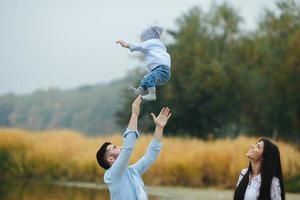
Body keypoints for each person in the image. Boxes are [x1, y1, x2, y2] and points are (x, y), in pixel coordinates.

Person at [96, 95, 171, 199]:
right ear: (110, 159)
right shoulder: (112, 176)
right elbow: (128, 149)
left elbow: (151, 156)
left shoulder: (133, 171)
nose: (120, 147)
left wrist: (159, 128)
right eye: (114, 147)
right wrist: (134, 115)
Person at [116, 26, 171, 101]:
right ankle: (139, 91)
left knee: (149, 78)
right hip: (163, 72)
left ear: (147, 37)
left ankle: (152, 95)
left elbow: (140, 46)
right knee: (146, 79)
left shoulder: (150, 43)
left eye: (142, 39)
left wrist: (126, 45)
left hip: (161, 69)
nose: (141, 41)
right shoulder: (158, 44)